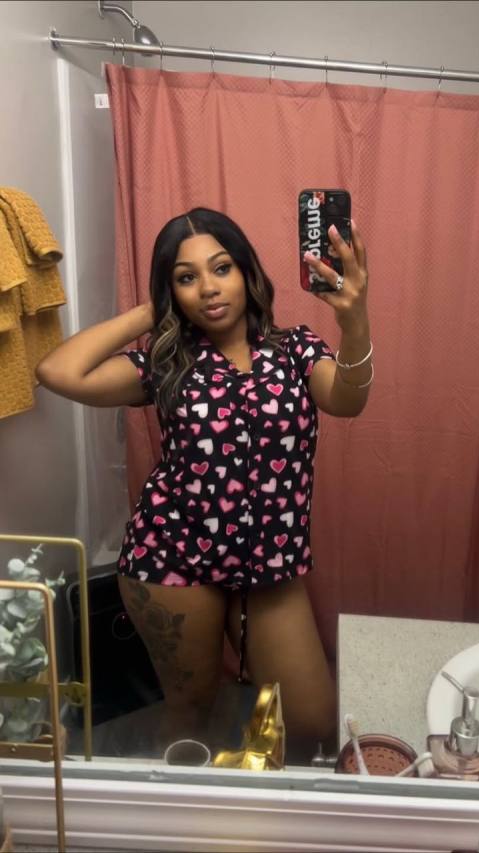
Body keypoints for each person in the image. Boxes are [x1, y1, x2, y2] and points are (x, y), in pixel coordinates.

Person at [36, 207, 372, 761]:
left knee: (310, 719)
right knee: (192, 710)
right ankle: (188, 804)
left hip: (270, 561)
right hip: (174, 558)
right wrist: (154, 309)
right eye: (186, 277)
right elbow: (58, 372)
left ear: (246, 271)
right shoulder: (166, 363)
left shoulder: (294, 349)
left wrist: (355, 319)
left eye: (221, 268)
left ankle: (252, 785)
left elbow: (348, 400)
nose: (208, 288)